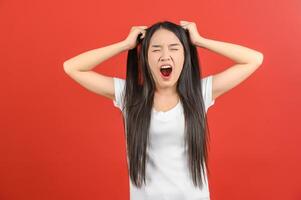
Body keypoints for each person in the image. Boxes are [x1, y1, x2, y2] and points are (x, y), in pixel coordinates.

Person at [63, 20, 264, 200]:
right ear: (145, 57)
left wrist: (200, 41)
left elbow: (253, 59)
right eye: (156, 49)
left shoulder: (199, 94)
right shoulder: (130, 96)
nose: (165, 56)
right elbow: (72, 67)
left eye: (174, 48)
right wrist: (125, 45)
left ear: (185, 56)